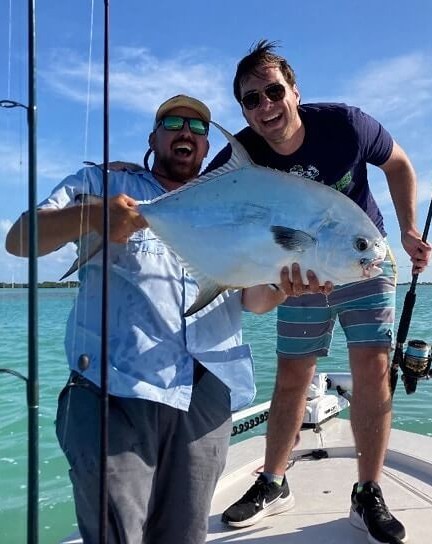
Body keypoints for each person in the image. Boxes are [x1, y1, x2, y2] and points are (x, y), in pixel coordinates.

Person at [5, 94, 330, 544]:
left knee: (185, 534)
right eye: (173, 122)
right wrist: (94, 215)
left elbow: (251, 301)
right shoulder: (104, 183)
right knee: (116, 534)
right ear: (153, 137)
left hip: (205, 394)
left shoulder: (235, 201)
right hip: (114, 391)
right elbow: (20, 239)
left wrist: (282, 285)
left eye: (198, 128)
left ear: (205, 146)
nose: (187, 133)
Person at [206, 41, 431, 544]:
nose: (265, 106)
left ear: (294, 91)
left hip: (362, 260)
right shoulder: (243, 153)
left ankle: (367, 491)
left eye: (273, 91)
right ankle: (272, 481)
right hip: (298, 279)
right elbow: (200, 199)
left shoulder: (345, 125)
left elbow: (397, 164)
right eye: (251, 99)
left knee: (373, 369)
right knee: (292, 376)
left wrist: (409, 229)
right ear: (242, 108)